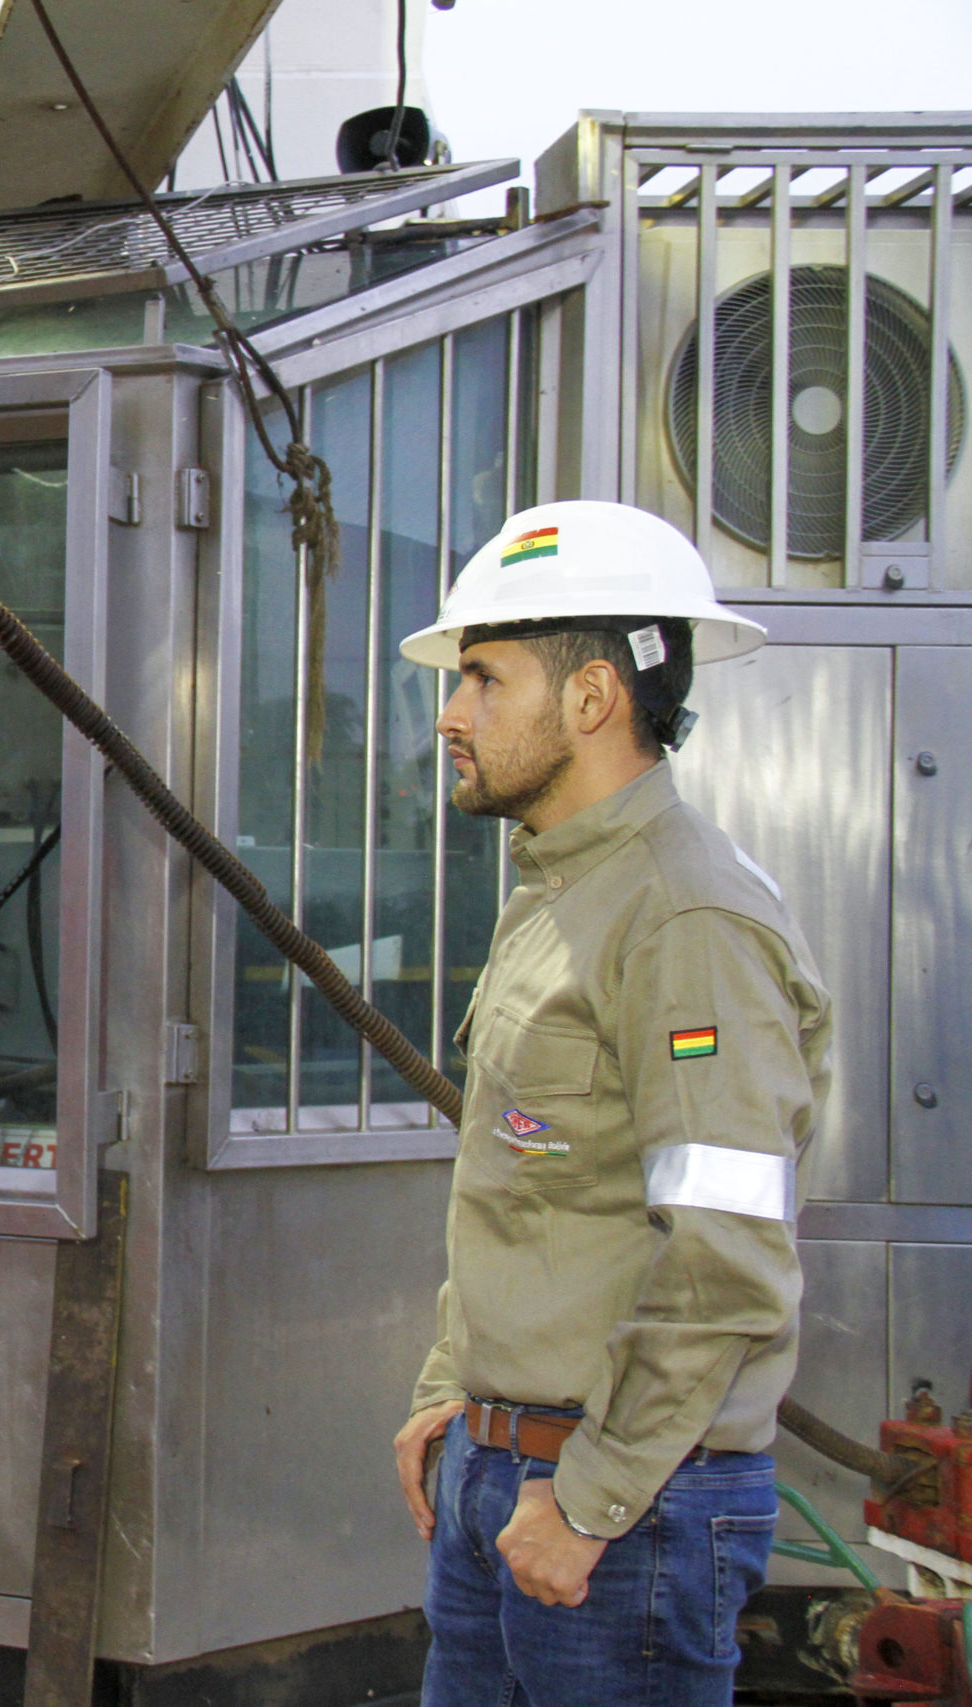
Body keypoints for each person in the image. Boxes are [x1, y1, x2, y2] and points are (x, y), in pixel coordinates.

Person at [386, 500, 831, 1706]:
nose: (450, 713)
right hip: (508, 1477)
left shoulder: (686, 918)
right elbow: (529, 1190)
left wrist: (585, 1502)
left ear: (590, 700)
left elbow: (725, 1249)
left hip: (623, 1511)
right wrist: (452, 1396)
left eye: (482, 678)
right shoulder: (558, 891)